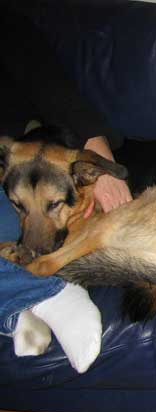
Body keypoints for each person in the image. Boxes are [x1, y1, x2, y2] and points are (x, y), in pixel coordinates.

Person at [0, 9, 132, 373]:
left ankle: (47, 295)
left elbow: (55, 90)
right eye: (22, 208)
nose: (36, 237)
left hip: (21, 149)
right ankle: (20, 310)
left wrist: (102, 168)